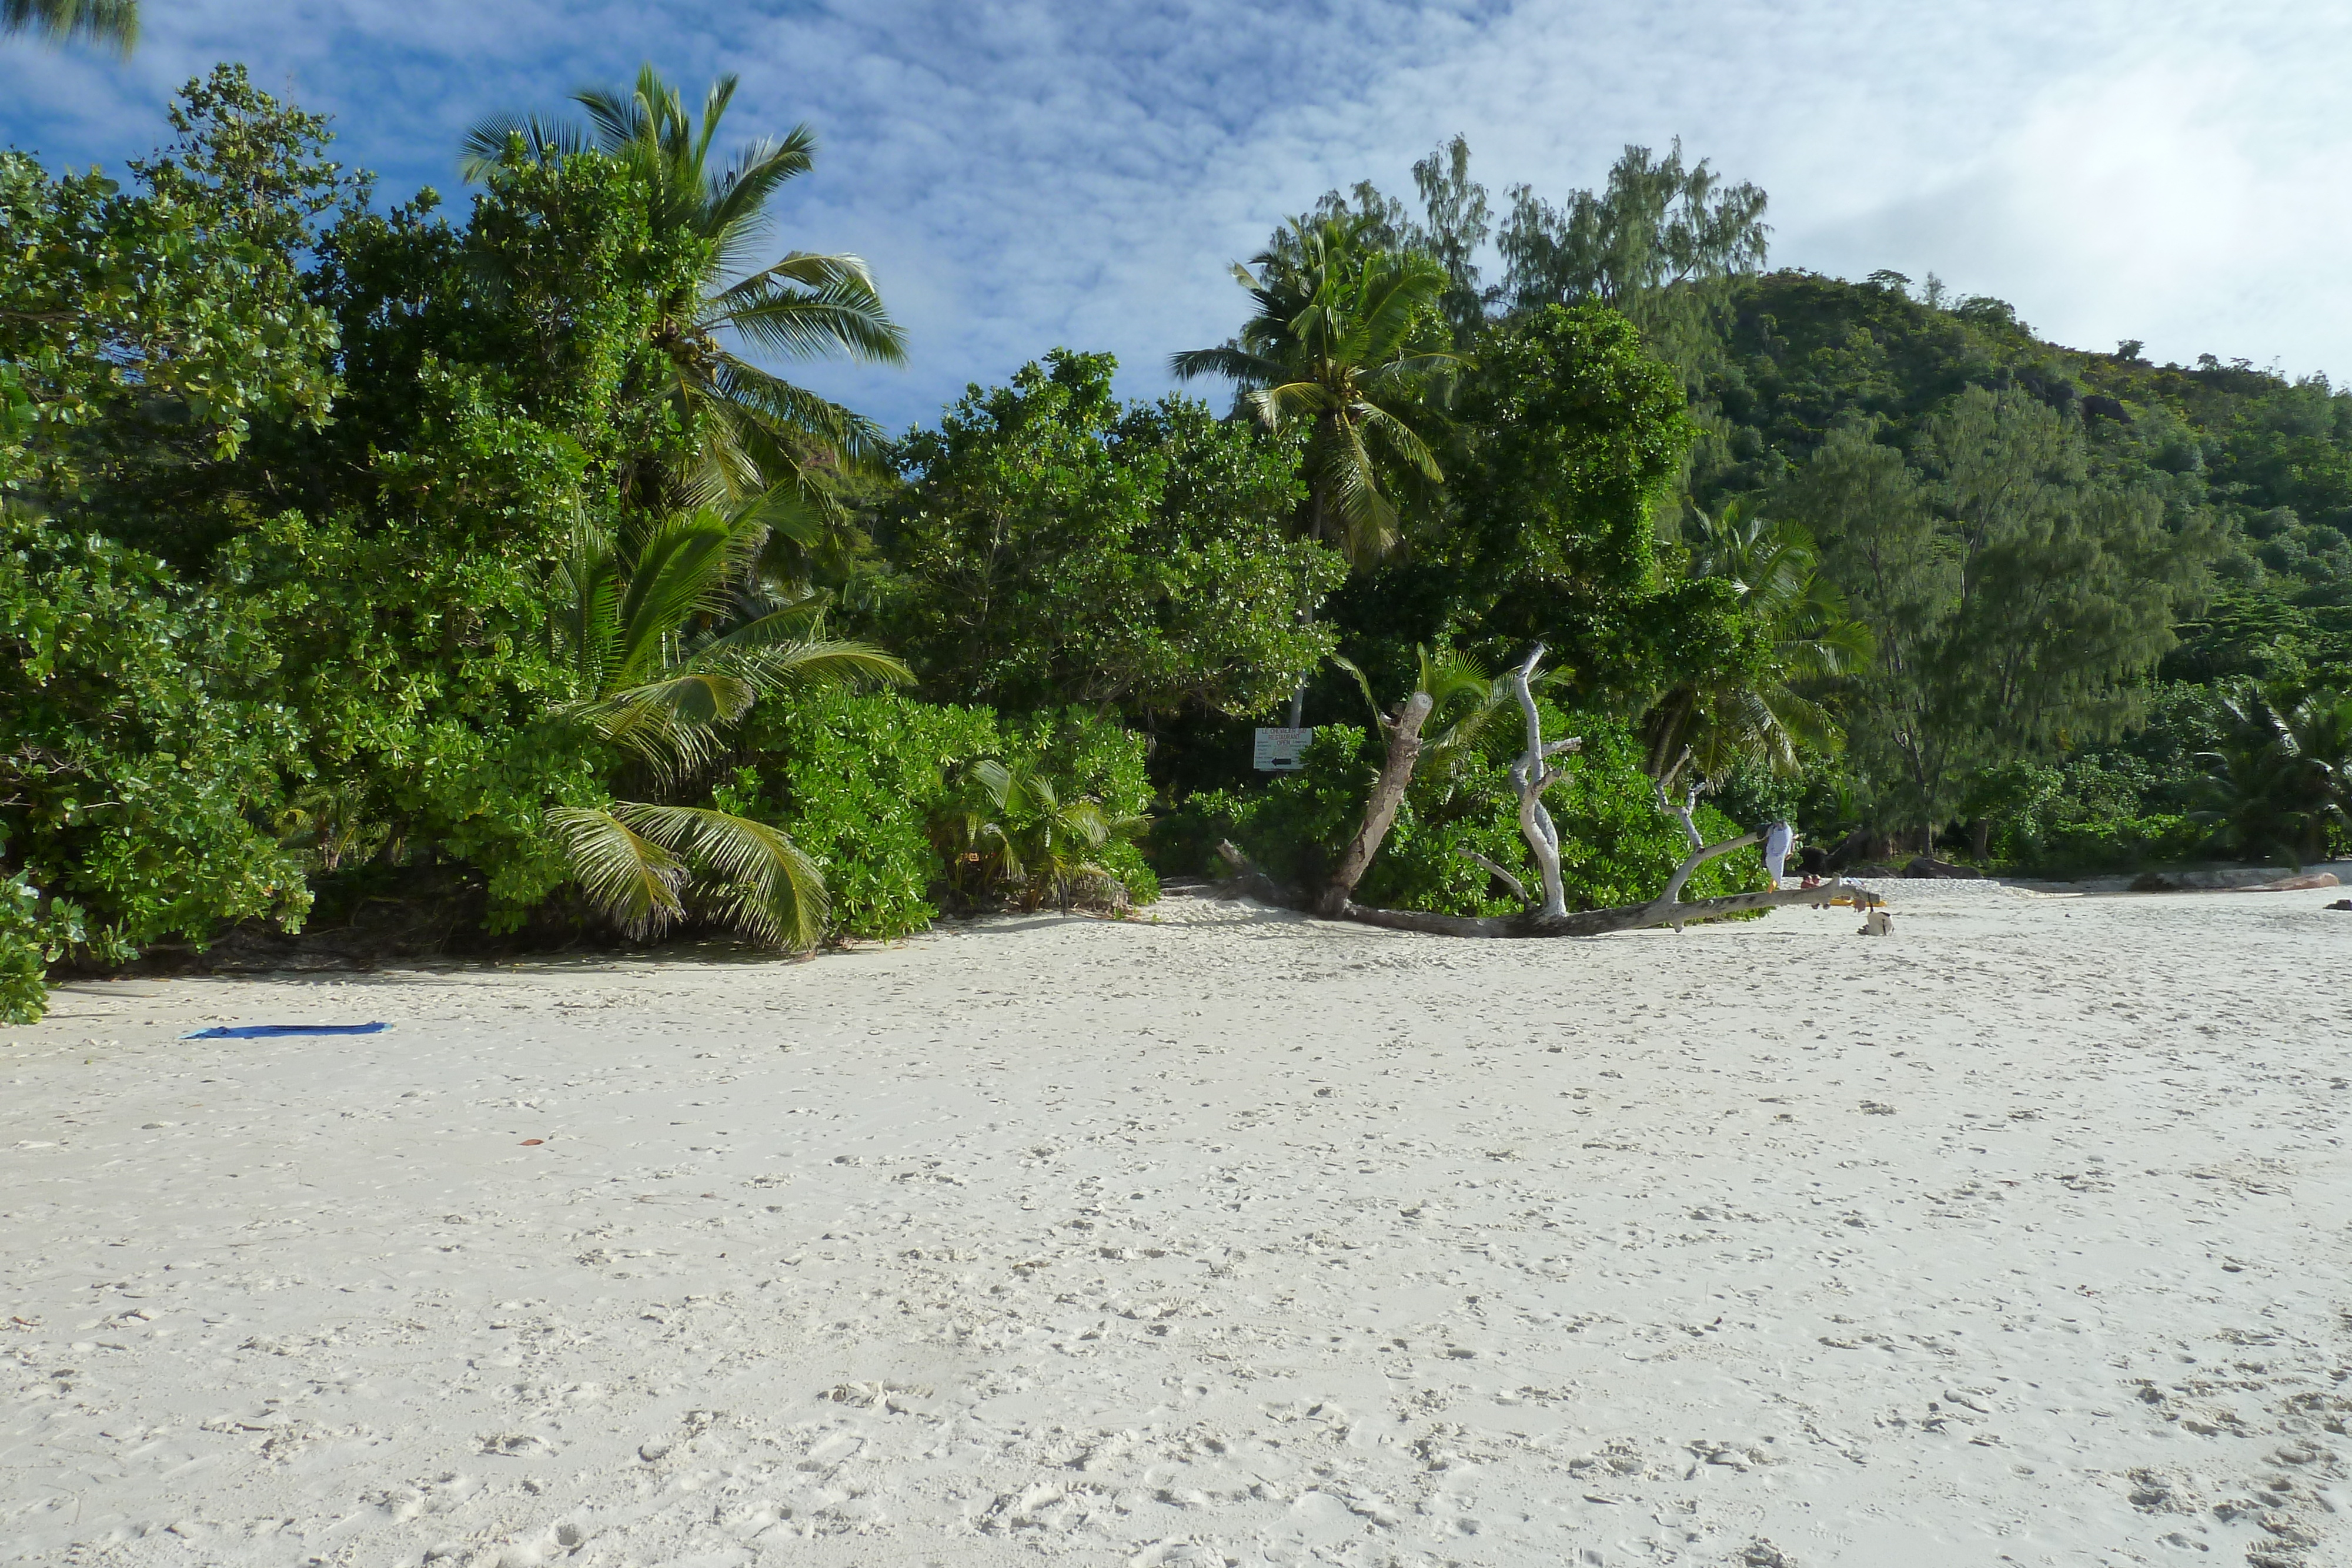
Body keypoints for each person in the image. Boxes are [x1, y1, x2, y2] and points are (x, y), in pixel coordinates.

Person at [1762, 820, 1794, 888]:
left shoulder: (1786, 832)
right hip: (1777, 854)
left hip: (1777, 854)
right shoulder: (1786, 832)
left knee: (1776, 869)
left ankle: (1773, 885)